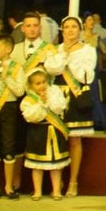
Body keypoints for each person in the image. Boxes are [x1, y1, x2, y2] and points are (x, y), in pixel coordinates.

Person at [44, 15, 96, 197]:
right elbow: (50, 69)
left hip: (76, 96)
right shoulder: (55, 49)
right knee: (57, 139)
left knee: (74, 140)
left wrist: (68, 59)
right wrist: (63, 55)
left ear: (80, 30)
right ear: (62, 29)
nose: (70, 30)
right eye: (67, 27)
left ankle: (73, 181)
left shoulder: (88, 50)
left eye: (74, 27)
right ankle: (57, 182)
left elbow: (86, 75)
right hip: (57, 96)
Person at [0, 35, 25, 199]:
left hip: (9, 106)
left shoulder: (17, 68)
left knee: (9, 143)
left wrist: (7, 78)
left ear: (8, 49)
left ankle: (8, 186)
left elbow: (20, 91)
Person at [20, 68, 69, 200]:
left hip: (54, 130)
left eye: (43, 82)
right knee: (37, 165)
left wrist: (48, 101)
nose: (42, 85)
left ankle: (57, 190)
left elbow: (60, 108)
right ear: (31, 85)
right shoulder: (28, 100)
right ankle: (37, 191)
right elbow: (31, 117)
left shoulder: (54, 93)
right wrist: (41, 103)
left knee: (56, 165)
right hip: (37, 133)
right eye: (38, 83)